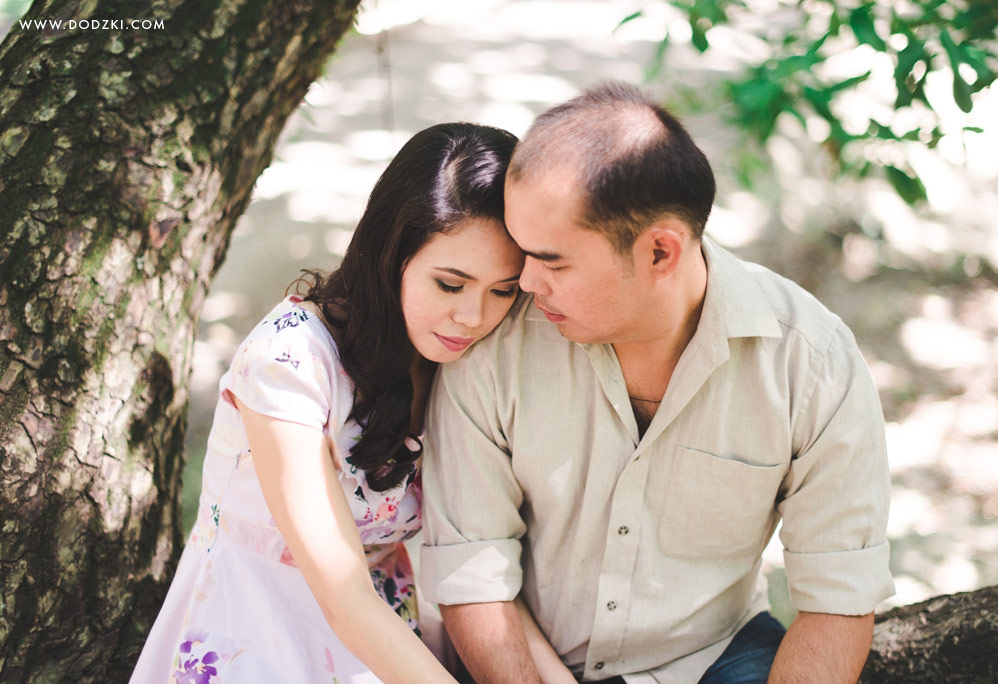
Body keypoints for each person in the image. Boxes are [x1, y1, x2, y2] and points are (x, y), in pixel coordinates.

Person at [419, 82, 895, 684]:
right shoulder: (495, 340)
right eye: (522, 252)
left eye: (553, 260)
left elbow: (838, 598)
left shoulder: (812, 363)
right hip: (521, 660)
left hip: (712, 657)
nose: (526, 282)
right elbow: (472, 570)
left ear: (661, 253)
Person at [129, 122, 527, 684]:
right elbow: (344, 596)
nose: (474, 317)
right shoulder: (288, 363)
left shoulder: (464, 362)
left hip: (390, 638)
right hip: (259, 639)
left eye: (503, 291)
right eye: (449, 284)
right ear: (392, 254)